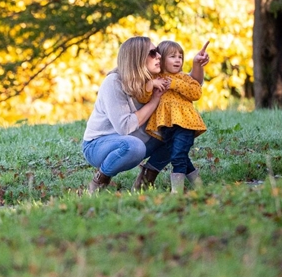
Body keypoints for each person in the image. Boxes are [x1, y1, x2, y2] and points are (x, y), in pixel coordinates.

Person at [81, 36, 209, 193]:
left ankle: (148, 176)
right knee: (134, 146)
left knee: (174, 133)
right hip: (99, 145)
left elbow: (188, 84)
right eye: (153, 53)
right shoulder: (113, 83)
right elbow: (125, 127)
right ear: (138, 57)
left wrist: (197, 64)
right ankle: (100, 179)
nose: (159, 56)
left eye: (158, 52)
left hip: (138, 142)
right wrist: (154, 101)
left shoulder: (154, 77)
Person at [135, 40, 209, 192]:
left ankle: (177, 192)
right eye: (172, 56)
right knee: (180, 155)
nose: (177, 60)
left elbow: (196, 93)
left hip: (186, 124)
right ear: (161, 59)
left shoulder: (183, 78)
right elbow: (142, 97)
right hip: (166, 126)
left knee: (177, 157)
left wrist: (174, 84)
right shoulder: (156, 78)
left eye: (180, 57)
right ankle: (200, 187)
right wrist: (152, 84)